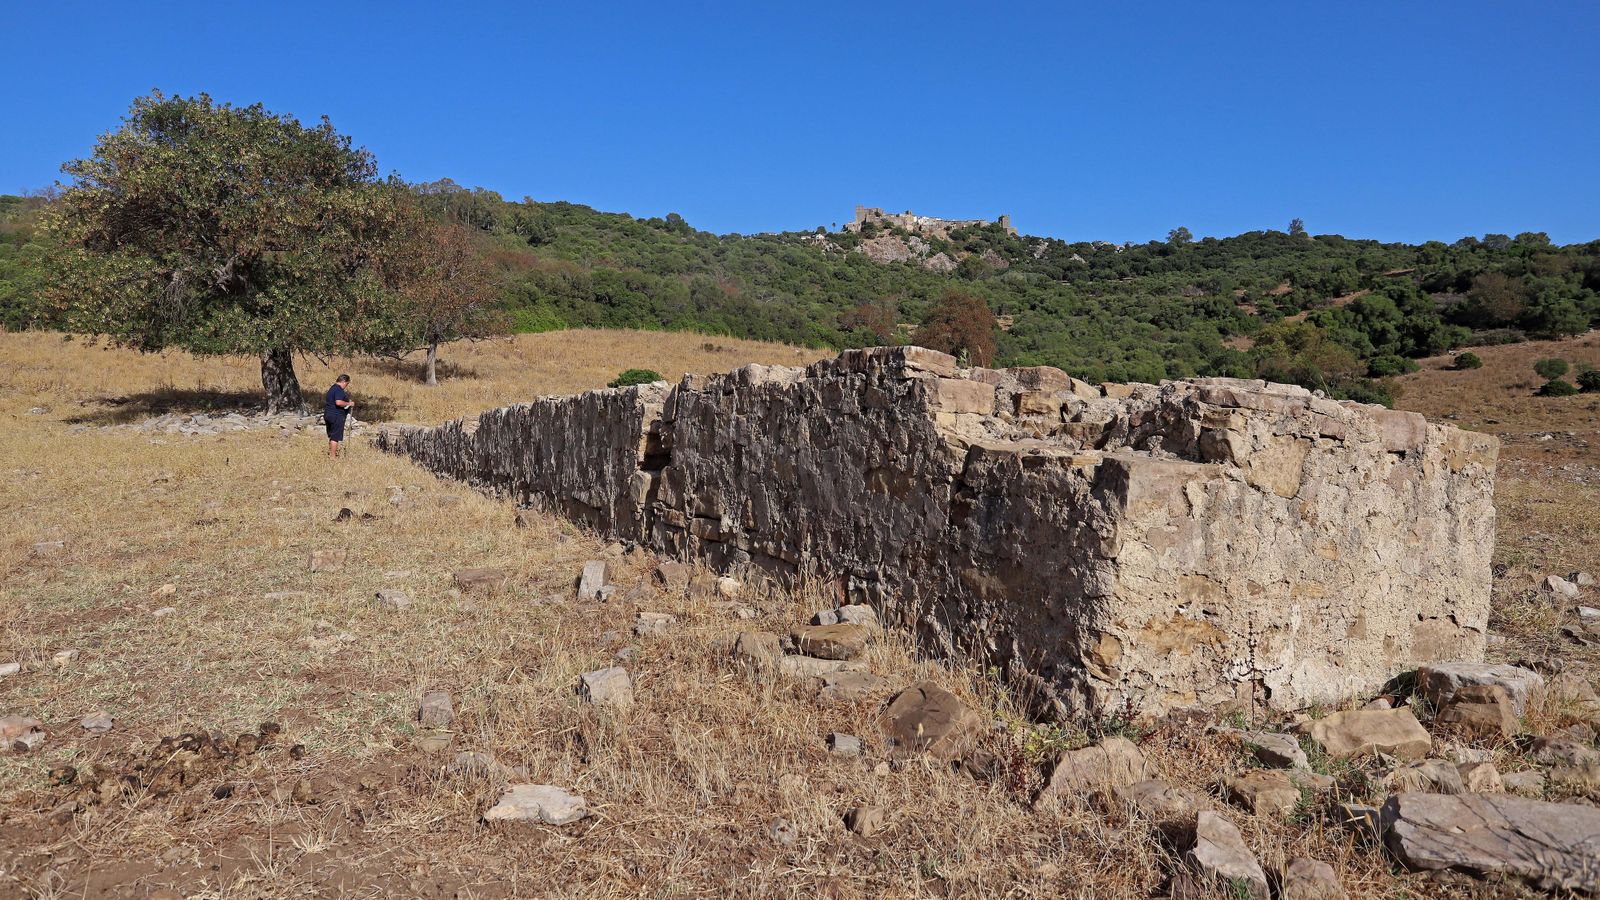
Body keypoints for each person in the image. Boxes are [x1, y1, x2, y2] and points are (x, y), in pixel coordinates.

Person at [324, 374, 354, 459]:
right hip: (336, 416)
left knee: (331, 436)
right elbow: (338, 402)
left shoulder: (332, 388)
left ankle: (331, 454)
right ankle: (333, 458)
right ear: (343, 381)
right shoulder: (338, 390)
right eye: (347, 384)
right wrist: (349, 403)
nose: (346, 386)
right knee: (335, 437)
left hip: (328, 414)